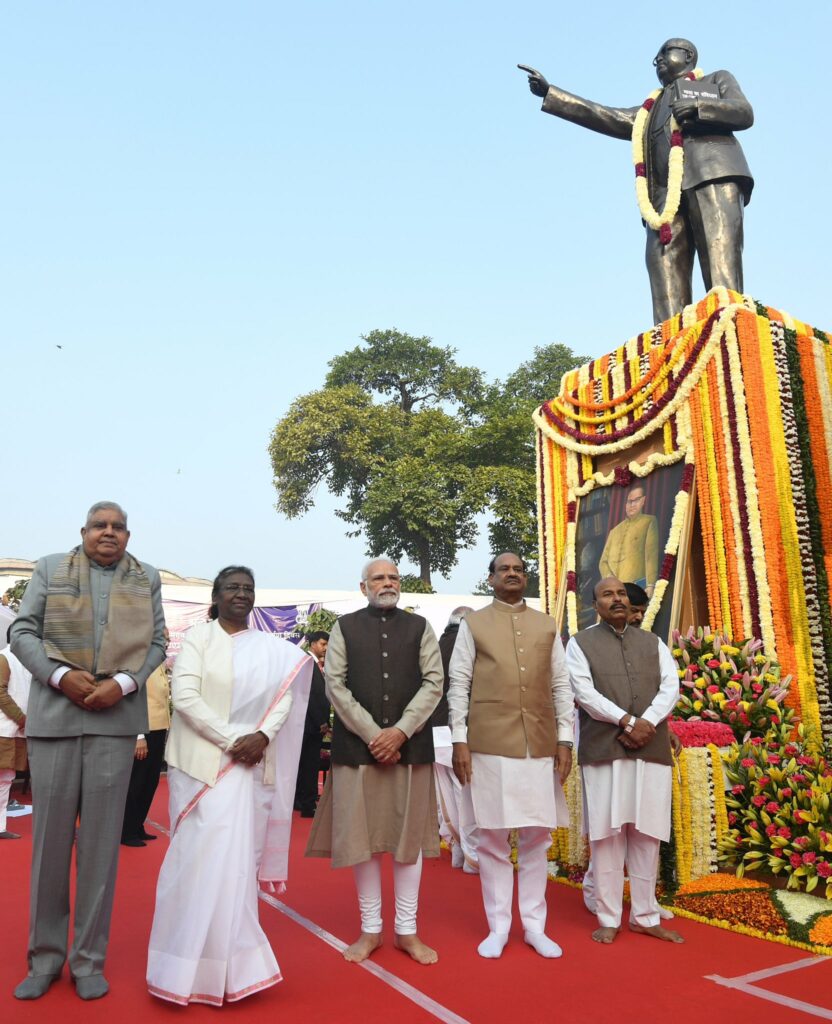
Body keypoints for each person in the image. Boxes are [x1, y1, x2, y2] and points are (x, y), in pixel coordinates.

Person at [10, 502, 166, 1000]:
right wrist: (60, 676)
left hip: (114, 724)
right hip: (55, 721)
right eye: (100, 525)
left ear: (128, 535)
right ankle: (44, 958)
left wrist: (123, 683)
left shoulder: (148, 578)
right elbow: (22, 631)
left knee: (100, 849)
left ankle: (88, 961)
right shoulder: (51, 568)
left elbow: (158, 642)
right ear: (83, 531)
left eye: (118, 527)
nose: (109, 532)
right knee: (49, 848)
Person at [147, 566, 313, 1006]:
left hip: (248, 767)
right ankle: (180, 968)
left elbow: (285, 699)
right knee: (195, 863)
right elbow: (184, 699)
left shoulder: (272, 650)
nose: (241, 594)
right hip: (202, 768)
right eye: (232, 588)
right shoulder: (199, 641)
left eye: (248, 588)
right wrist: (233, 741)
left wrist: (260, 738)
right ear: (216, 597)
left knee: (236, 866)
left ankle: (235, 969)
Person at [523, 39, 753, 324]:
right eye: (654, 57)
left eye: (664, 53)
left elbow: (743, 112)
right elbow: (608, 115)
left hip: (711, 176)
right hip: (663, 199)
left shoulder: (716, 79)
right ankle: (670, 348)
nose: (656, 60)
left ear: (688, 55)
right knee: (664, 273)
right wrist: (552, 93)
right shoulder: (650, 108)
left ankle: (731, 330)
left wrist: (698, 107)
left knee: (721, 266)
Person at [306, 558, 443, 965]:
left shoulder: (420, 628)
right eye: (379, 578)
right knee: (362, 842)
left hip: (411, 749)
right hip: (358, 751)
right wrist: (374, 735)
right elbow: (335, 685)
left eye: (393, 577)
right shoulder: (344, 627)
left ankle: (406, 931)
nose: (387, 583)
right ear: (363, 586)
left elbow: (435, 682)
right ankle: (370, 930)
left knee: (409, 844)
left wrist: (400, 731)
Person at [449, 553, 573, 959]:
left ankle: (535, 926)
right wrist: (459, 740)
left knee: (537, 837)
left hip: (538, 744)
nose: (513, 574)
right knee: (493, 837)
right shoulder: (474, 624)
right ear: (491, 579)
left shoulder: (546, 625)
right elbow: (459, 684)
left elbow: (560, 685)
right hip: (489, 745)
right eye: (505, 569)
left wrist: (566, 740)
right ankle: (498, 926)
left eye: (519, 569)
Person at [566, 577, 682, 944]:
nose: (616, 599)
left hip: (651, 747)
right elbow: (583, 692)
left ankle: (645, 915)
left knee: (647, 833)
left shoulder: (653, 643)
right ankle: (609, 916)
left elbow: (671, 685)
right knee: (606, 834)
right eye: (607, 595)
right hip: (605, 749)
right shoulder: (580, 644)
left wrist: (647, 723)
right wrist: (628, 721)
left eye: (620, 594)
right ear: (595, 605)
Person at [432, 606, 478, 872]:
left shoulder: (437, 645)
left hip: (435, 727)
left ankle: (458, 850)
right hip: (459, 728)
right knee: (466, 791)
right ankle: (471, 855)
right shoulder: (466, 646)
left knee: (445, 793)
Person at [121, 654, 170, 847]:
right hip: (143, 729)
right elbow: (132, 699)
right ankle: (126, 830)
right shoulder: (139, 660)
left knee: (150, 781)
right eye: (162, 636)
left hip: (159, 727)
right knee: (136, 782)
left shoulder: (159, 661)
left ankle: (138, 824)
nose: (165, 640)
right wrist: (138, 735)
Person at [294, 631, 331, 817]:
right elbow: (309, 696)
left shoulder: (317, 665)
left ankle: (301, 801)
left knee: (306, 765)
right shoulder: (307, 663)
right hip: (309, 724)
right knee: (308, 766)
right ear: (313, 644)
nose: (326, 648)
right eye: (323, 644)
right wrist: (322, 722)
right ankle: (307, 804)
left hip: (311, 724)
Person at [598, 484, 658, 596]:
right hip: (615, 591)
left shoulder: (648, 522)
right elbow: (603, 562)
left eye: (636, 500)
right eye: (629, 501)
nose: (632, 505)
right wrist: (610, 578)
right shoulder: (614, 531)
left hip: (637, 588)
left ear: (643, 501)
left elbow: (651, 555)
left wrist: (650, 584)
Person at [0, 633, 31, 840]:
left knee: (6, 779)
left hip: (17, 731)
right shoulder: (5, 657)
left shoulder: (27, 661)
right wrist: (22, 719)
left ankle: (1, 826)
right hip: (4, 728)